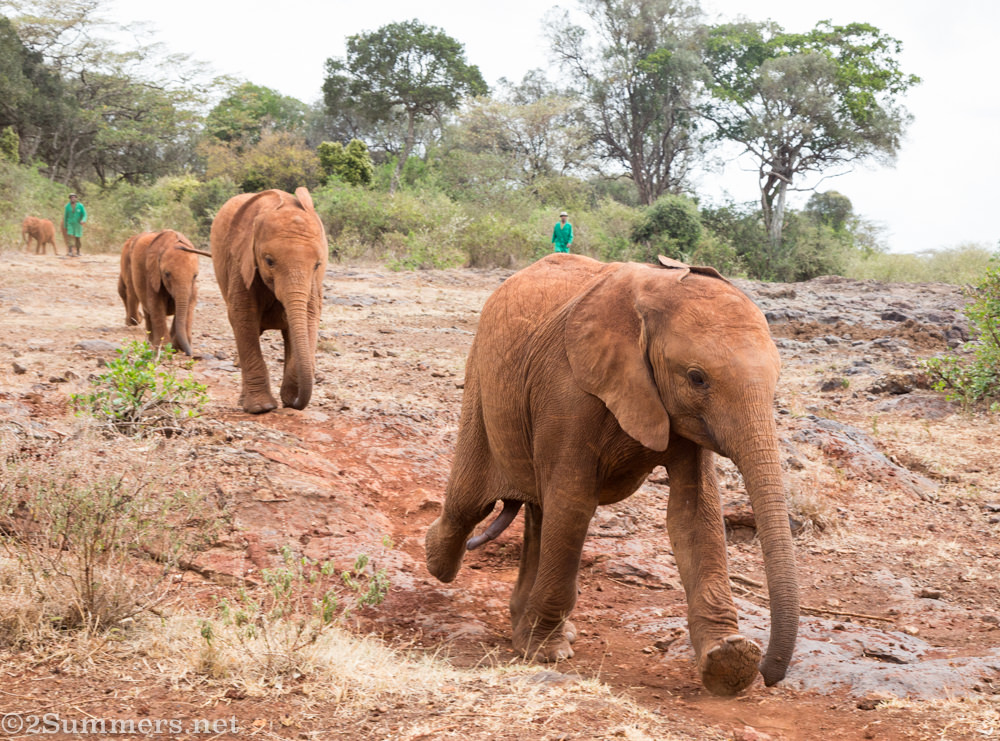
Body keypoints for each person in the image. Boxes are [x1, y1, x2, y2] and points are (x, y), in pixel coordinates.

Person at [62, 193, 87, 257]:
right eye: (71, 197)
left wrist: (83, 220)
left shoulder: (80, 206)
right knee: (70, 236)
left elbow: (84, 214)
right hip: (70, 224)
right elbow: (65, 216)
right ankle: (70, 251)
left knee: (77, 238)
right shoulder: (67, 206)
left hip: (78, 224)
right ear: (70, 199)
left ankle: (78, 251)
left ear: (76, 198)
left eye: (74, 197)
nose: (73, 198)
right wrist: (65, 226)